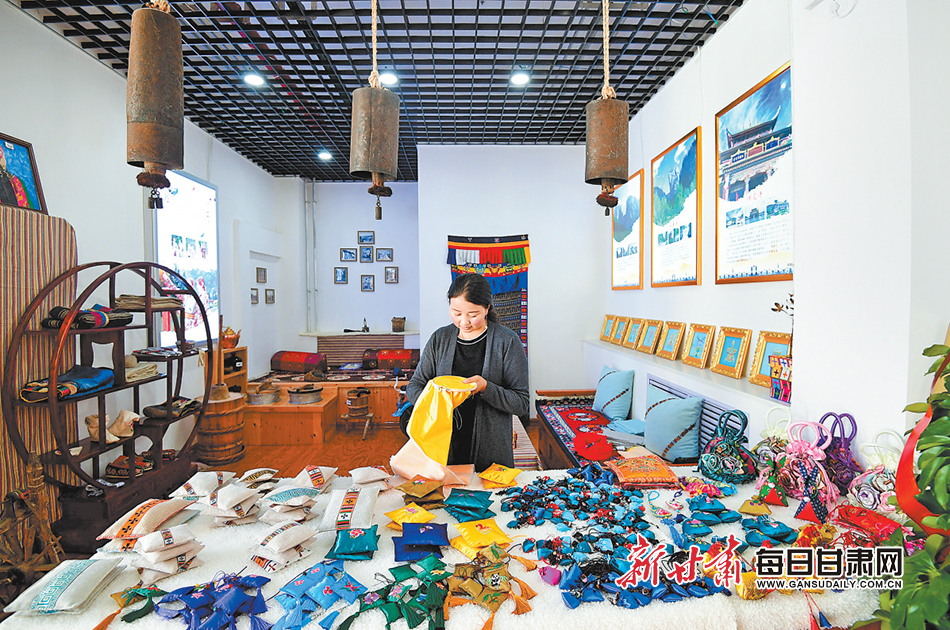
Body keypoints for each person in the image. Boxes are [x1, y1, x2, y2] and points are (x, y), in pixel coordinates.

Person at [406, 273, 529, 472]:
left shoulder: (507, 341)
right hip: (442, 450)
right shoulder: (440, 339)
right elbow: (414, 386)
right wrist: (436, 401)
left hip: (491, 453)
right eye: (456, 313)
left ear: (487, 308)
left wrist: (486, 388)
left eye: (472, 314)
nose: (464, 322)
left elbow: (521, 403)